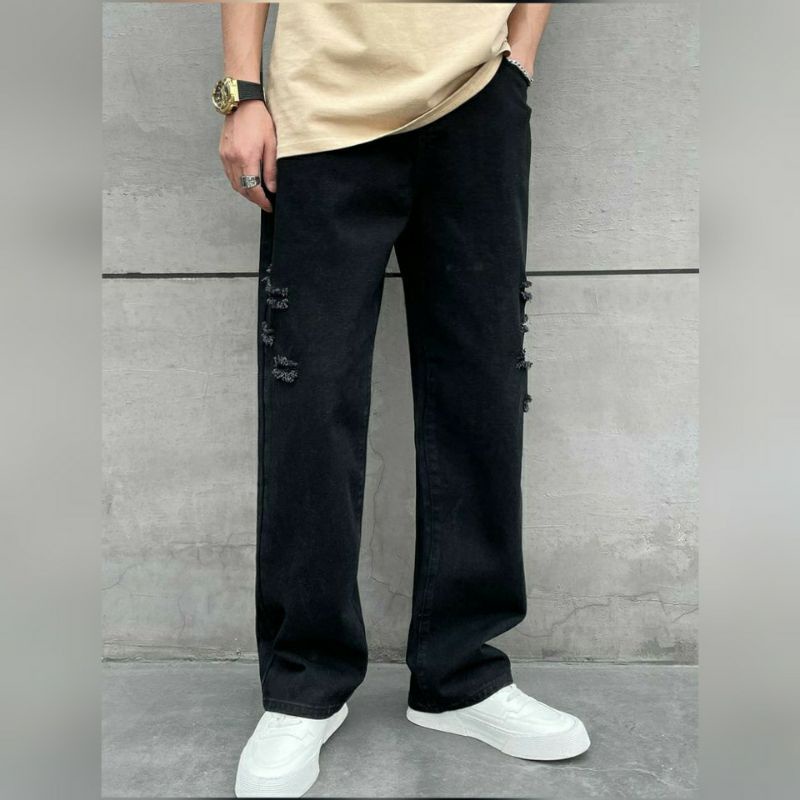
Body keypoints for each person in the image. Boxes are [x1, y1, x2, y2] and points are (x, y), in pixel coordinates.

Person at [215, 3, 589, 796]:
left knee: (482, 390)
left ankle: (461, 676)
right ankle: (304, 685)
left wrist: (518, 62)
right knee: (309, 402)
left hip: (478, 98)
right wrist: (242, 92)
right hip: (321, 112)